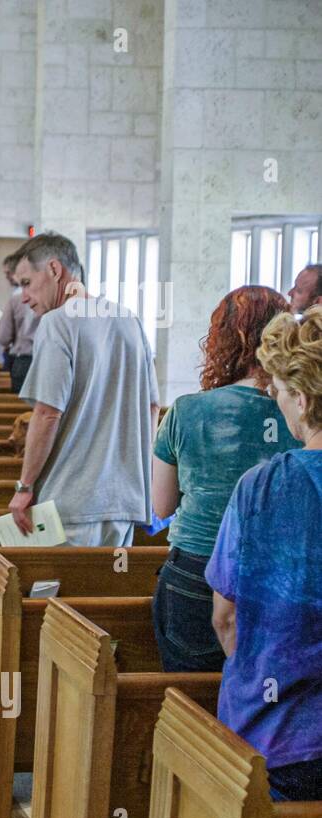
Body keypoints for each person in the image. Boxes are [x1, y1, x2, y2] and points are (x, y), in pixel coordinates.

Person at [205, 305, 322, 801]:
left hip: (282, 737)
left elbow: (225, 618)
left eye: (277, 392)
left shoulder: (262, 486)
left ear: (301, 397)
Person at [151, 286, 298, 673]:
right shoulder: (302, 411)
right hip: (278, 574)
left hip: (197, 569)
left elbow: (162, 505)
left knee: (191, 705)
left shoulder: (187, 411)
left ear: (221, 339)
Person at [9, 231, 159, 546]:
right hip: (123, 502)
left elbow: (48, 412)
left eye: (25, 283)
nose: (23, 297)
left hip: (72, 501)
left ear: (53, 269)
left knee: (55, 592)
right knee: (100, 590)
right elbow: (151, 408)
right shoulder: (128, 319)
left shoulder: (58, 323)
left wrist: (24, 488)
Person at [0, 253, 40, 393]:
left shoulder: (16, 299)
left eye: (9, 273)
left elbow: (3, 337)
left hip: (24, 360)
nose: (7, 277)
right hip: (45, 360)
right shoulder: (47, 295)